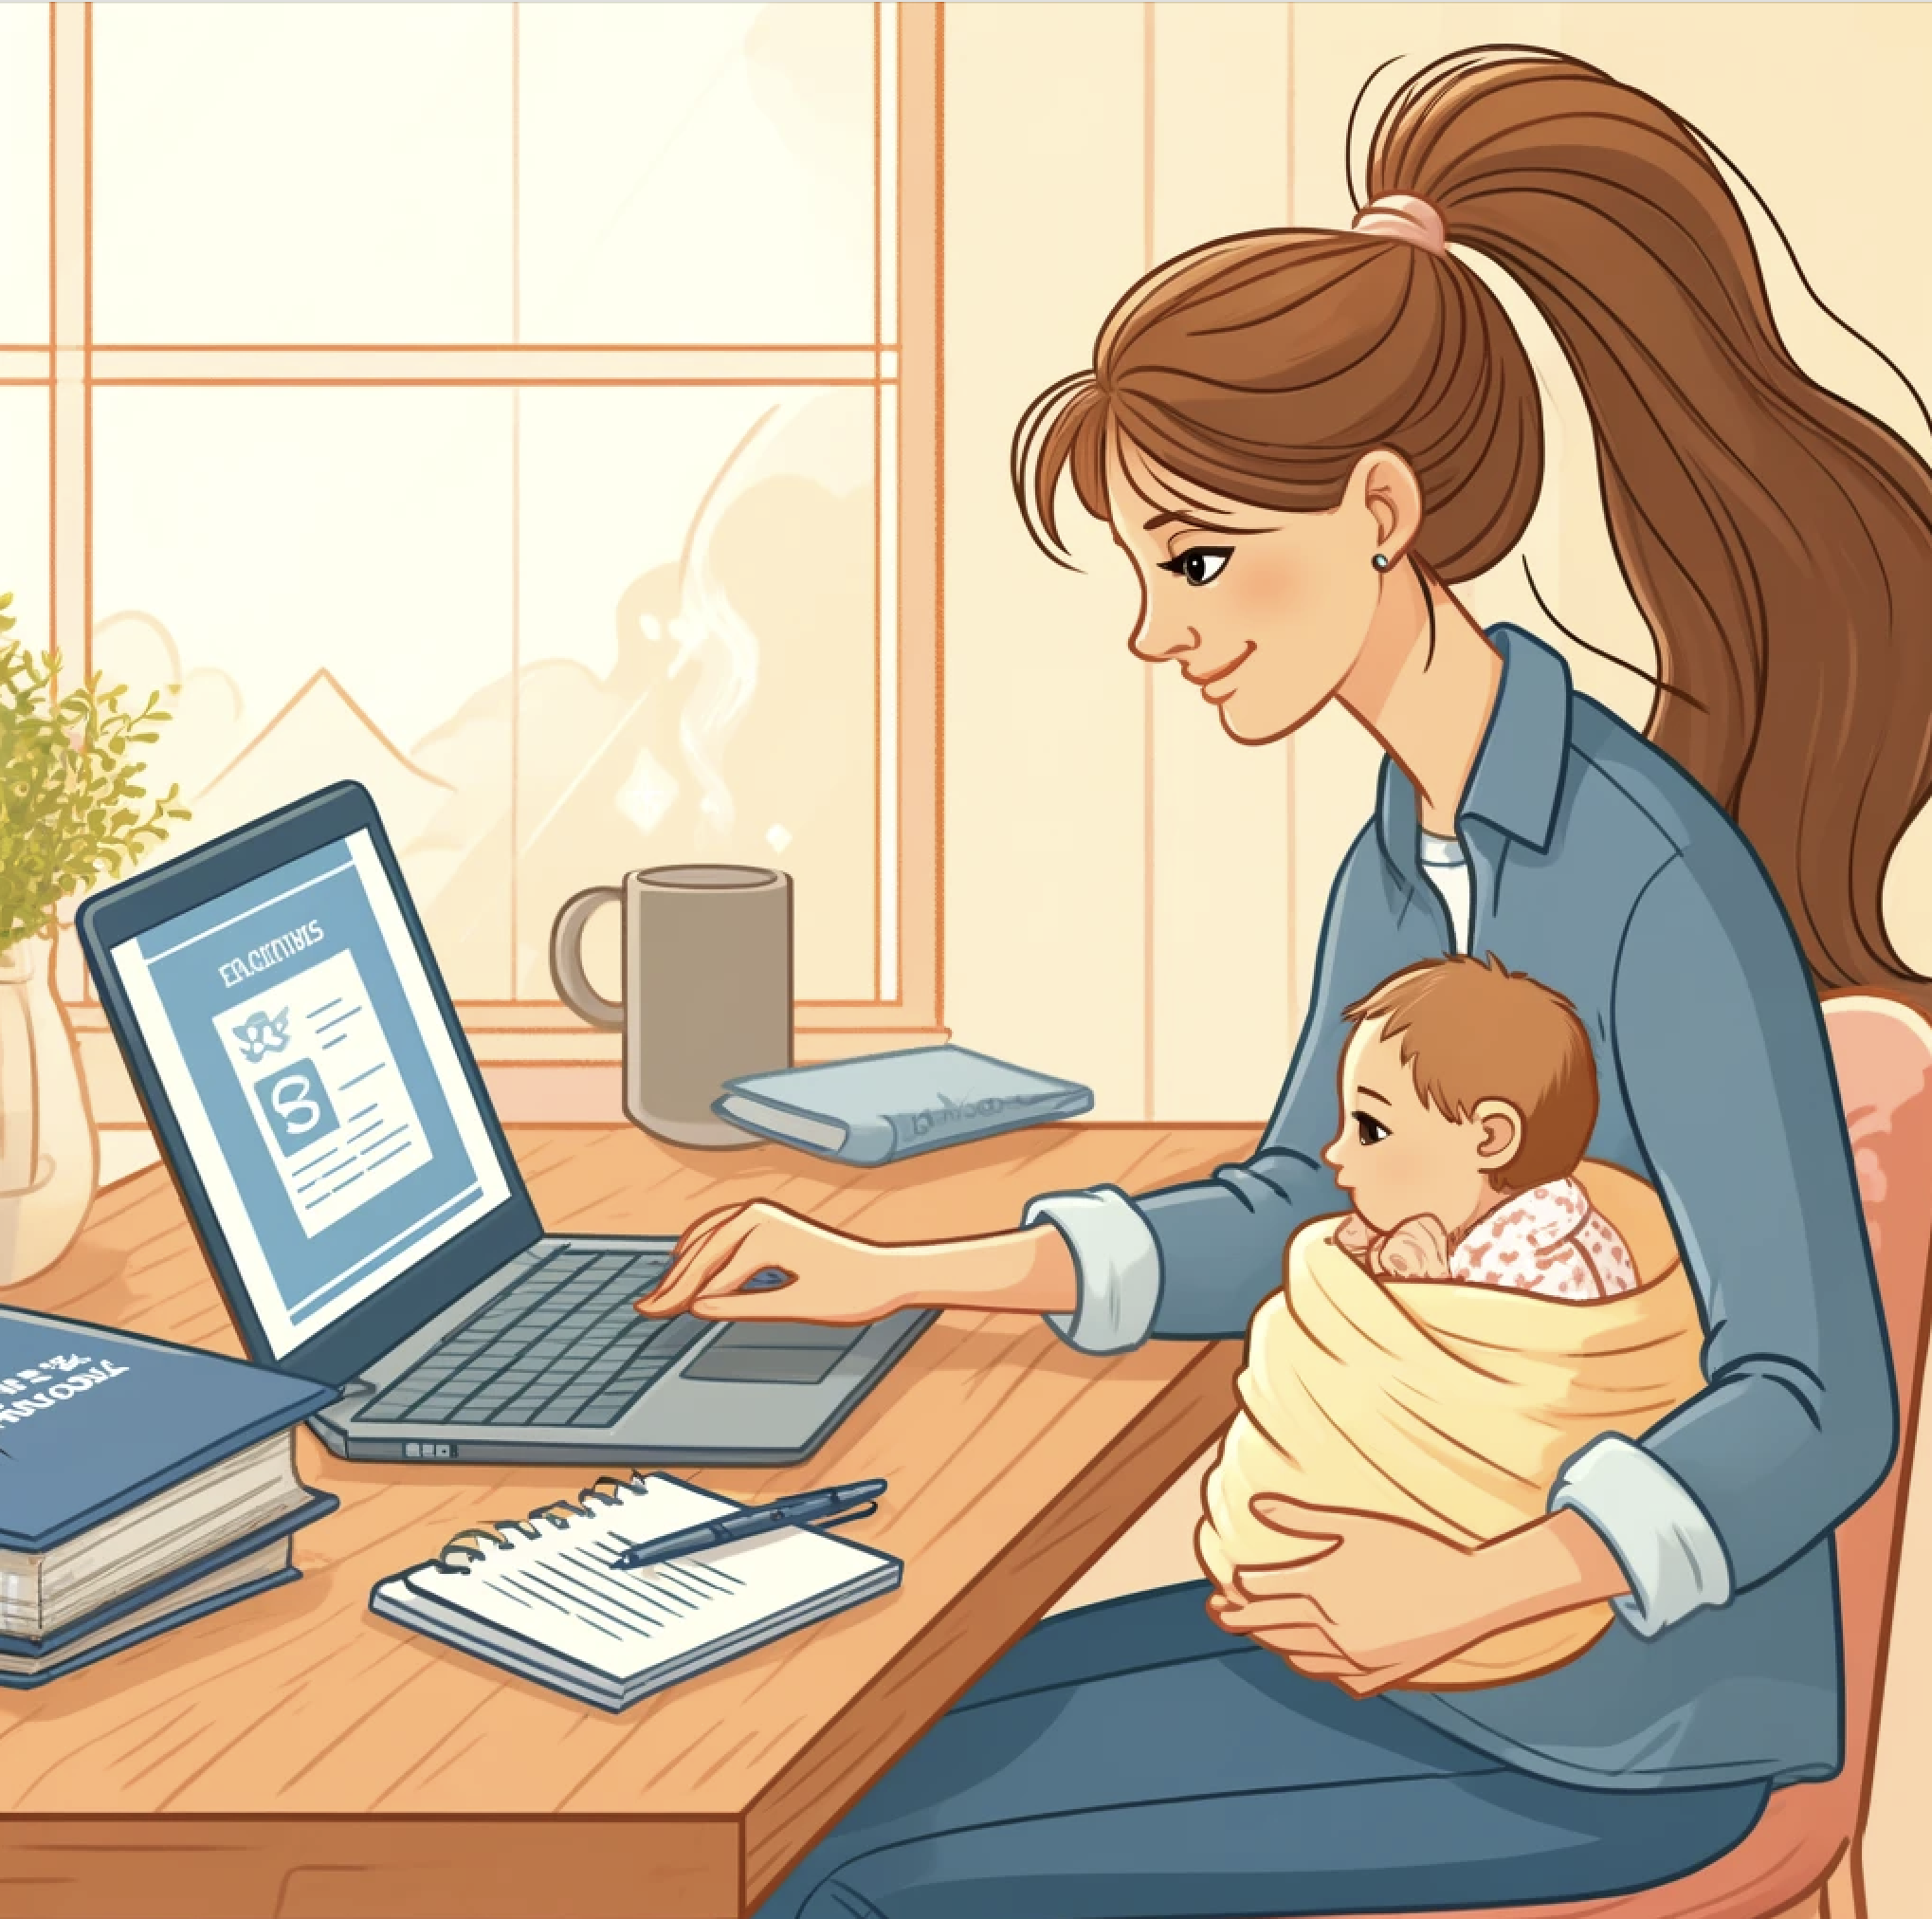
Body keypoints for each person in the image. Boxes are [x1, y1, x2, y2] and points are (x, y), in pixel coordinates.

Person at [638, 44, 1932, 1917]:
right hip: (1393, 1634)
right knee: (828, 1754)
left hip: (1602, 1722)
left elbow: (1814, 1400)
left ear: (1379, 510)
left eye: (1194, 558)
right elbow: (1290, 1204)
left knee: (841, 1870)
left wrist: (1472, 1589)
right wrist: (897, 1267)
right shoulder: (1405, 854)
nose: (1153, 630)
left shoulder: (1650, 880)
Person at [1319, 954, 1640, 1295]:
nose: (1333, 1153)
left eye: (1372, 1130)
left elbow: (1487, 1331)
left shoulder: (1546, 1275)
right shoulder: (1485, 1222)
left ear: (1490, 1138)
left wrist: (1427, 1295)